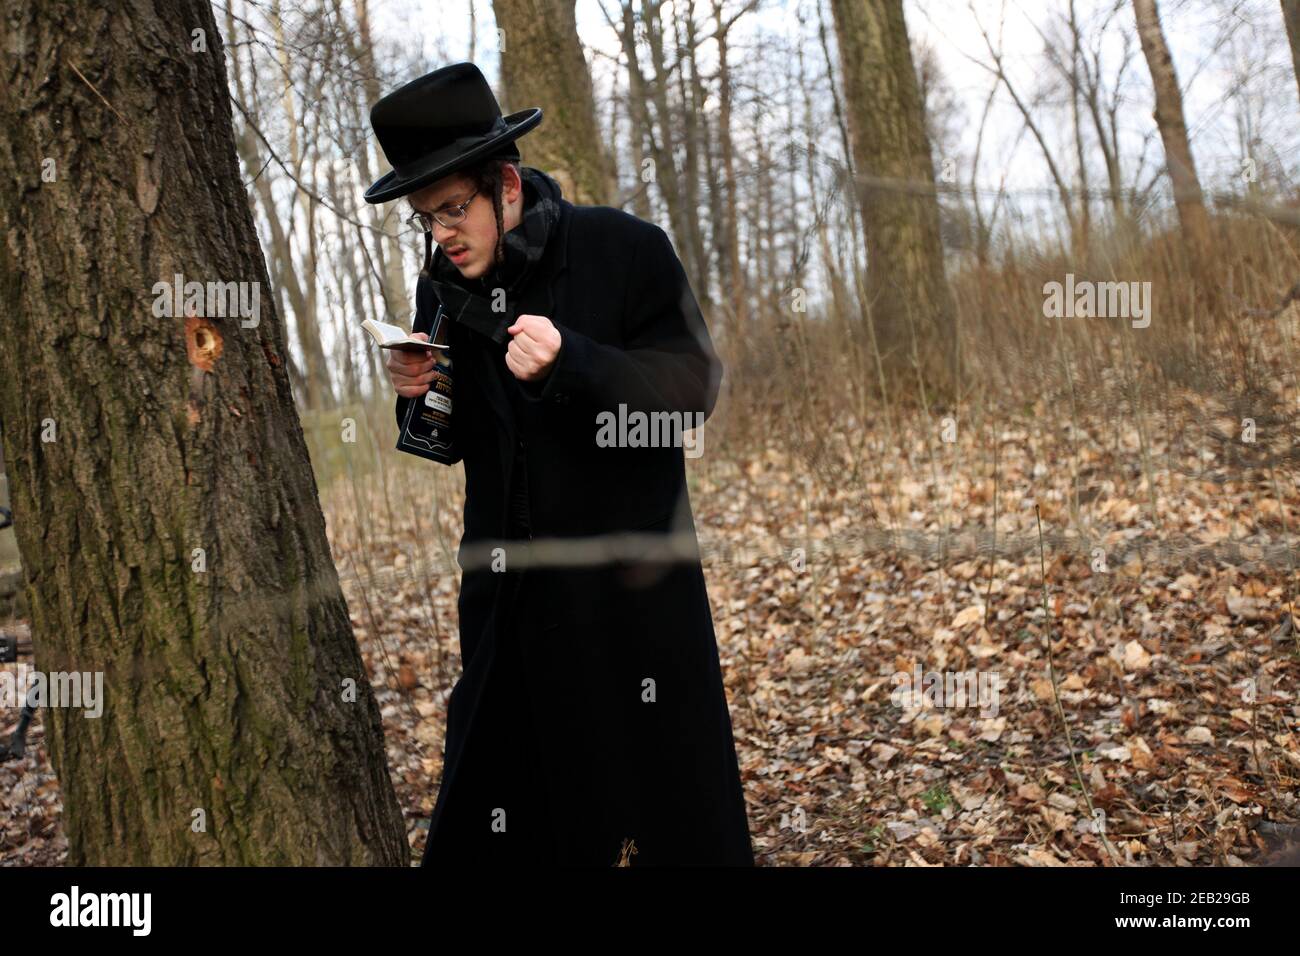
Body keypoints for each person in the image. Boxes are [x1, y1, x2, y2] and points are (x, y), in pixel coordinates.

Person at [364, 62, 754, 866]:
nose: (442, 233)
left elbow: (692, 392)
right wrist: (419, 392)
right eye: (425, 217)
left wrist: (572, 362)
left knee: (672, 810)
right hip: (514, 611)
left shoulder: (624, 249)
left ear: (505, 185)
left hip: (632, 602)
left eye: (453, 209)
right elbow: (449, 442)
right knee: (511, 818)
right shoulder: (441, 293)